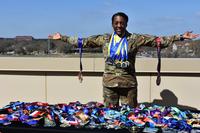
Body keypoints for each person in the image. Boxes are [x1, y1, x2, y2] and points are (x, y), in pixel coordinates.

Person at [48, 12, 199, 108]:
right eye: (116, 23)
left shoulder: (135, 39)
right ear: (112, 24)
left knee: (129, 118)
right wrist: (63, 37)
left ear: (126, 24)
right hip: (109, 84)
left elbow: (158, 41)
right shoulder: (105, 39)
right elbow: (83, 42)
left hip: (129, 85)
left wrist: (180, 37)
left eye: (122, 23)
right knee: (111, 117)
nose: (119, 25)